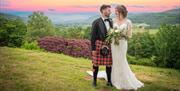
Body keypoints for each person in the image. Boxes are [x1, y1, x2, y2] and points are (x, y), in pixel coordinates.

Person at [111, 5, 144, 90]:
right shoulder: (113, 20)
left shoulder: (128, 22)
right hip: (114, 43)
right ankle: (115, 78)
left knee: (122, 59)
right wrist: (114, 36)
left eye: (116, 10)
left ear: (121, 11)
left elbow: (129, 36)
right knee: (115, 60)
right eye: (115, 11)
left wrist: (121, 35)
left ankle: (124, 79)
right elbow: (110, 32)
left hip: (122, 43)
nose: (115, 12)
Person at [90, 4, 113, 87]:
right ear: (103, 10)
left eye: (110, 10)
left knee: (109, 64)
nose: (110, 11)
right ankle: (94, 81)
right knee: (95, 64)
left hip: (108, 45)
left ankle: (109, 81)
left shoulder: (111, 21)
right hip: (98, 44)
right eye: (108, 10)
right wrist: (93, 49)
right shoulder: (96, 22)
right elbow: (92, 37)